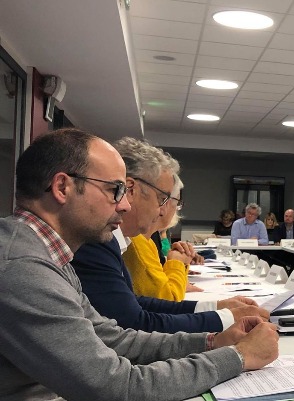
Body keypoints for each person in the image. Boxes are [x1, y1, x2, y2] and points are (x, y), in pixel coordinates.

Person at [0, 129, 278, 400]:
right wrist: (239, 356)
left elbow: (115, 339)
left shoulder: (48, 255)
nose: (124, 205)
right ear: (63, 187)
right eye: (114, 190)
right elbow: (117, 387)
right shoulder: (23, 268)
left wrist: (214, 341)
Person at [73, 137, 268, 334]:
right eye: (162, 199)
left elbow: (136, 304)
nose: (162, 211)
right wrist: (225, 320)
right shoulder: (96, 240)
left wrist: (218, 308)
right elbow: (134, 321)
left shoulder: (111, 241)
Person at [123, 171, 190, 301]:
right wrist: (177, 262)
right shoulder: (137, 242)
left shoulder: (148, 242)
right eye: (177, 203)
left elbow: (161, 283)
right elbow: (169, 300)